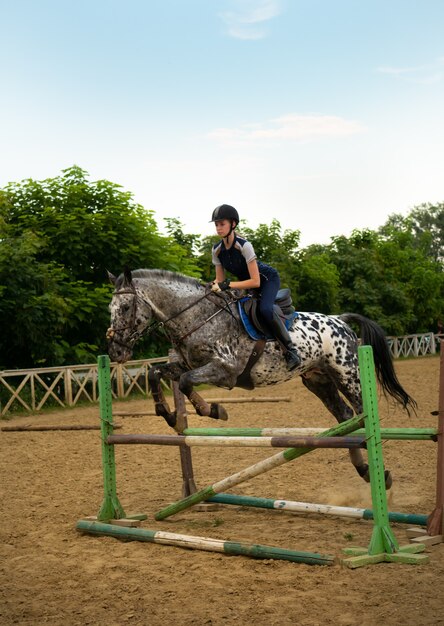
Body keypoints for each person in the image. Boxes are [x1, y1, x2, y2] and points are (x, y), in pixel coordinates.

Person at [209, 204, 301, 370]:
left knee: (265, 309)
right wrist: (212, 285)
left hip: (266, 280)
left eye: (222, 224)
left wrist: (226, 285)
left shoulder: (244, 246)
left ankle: (291, 351)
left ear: (233, 224)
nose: (218, 228)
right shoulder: (216, 250)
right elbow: (220, 280)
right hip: (246, 283)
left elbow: (255, 282)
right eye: (216, 224)